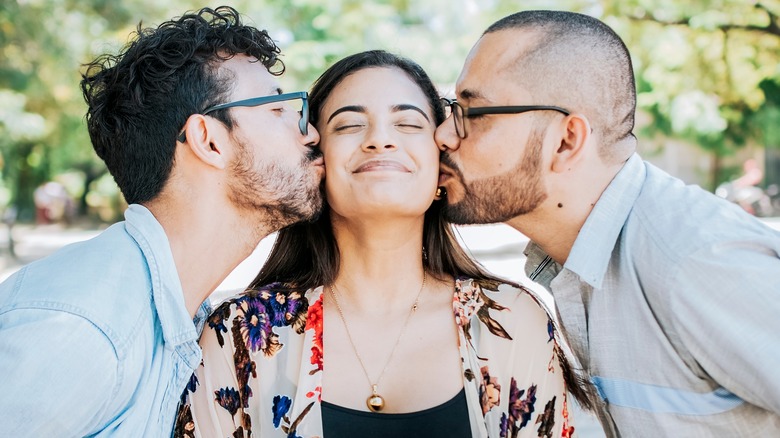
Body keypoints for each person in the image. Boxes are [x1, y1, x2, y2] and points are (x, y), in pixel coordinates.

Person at [175, 50, 589, 438]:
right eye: (349, 124)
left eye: (408, 124)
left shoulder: (512, 320)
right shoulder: (241, 332)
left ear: (440, 159)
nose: (379, 140)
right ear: (317, 160)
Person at [434, 9, 780, 437]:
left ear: (566, 141)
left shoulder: (696, 261)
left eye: (474, 113)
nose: (445, 135)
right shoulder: (574, 257)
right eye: (452, 109)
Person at [0, 6, 323, 436]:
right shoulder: (84, 329)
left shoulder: (184, 313)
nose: (311, 132)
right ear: (209, 140)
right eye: (279, 109)